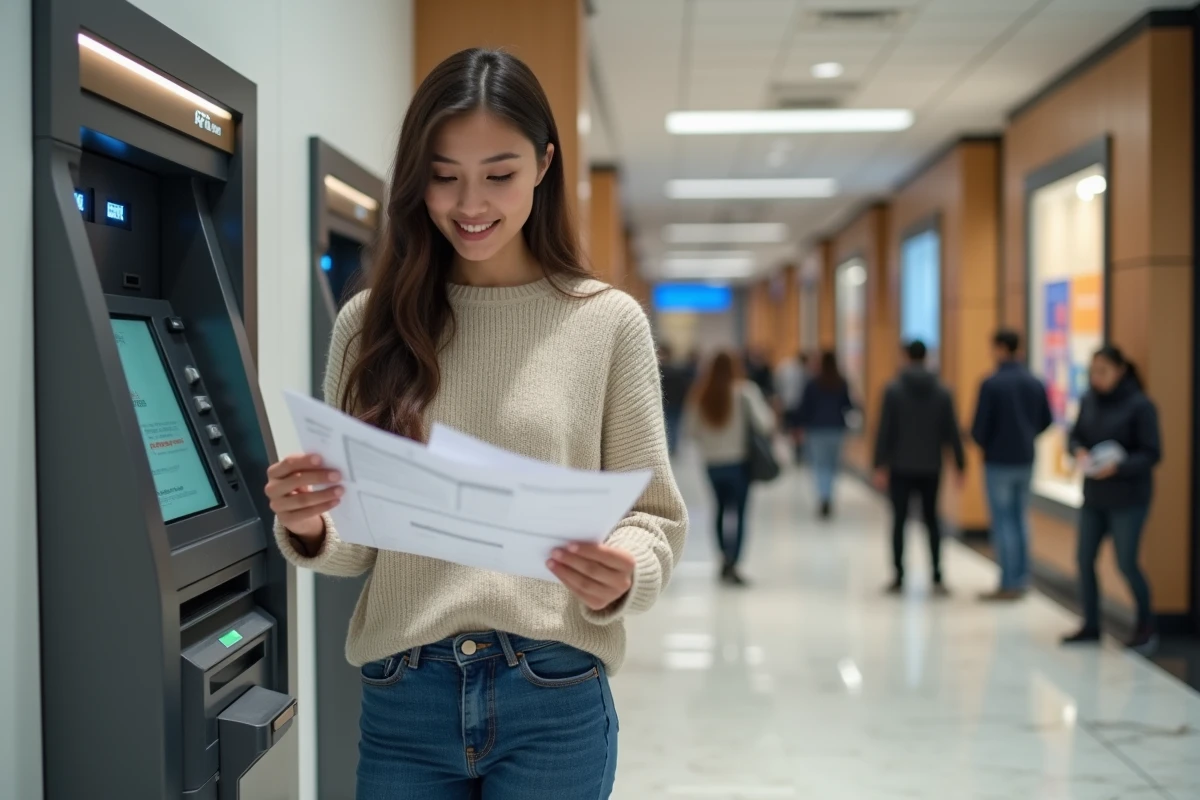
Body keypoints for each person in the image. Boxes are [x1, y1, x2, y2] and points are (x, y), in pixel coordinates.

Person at [263, 49, 688, 800]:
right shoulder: (369, 324)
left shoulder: (607, 324)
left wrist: (625, 571)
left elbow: (652, 516)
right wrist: (309, 527)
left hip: (552, 690)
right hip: (405, 694)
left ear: (544, 165)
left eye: (499, 174)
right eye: (443, 174)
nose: (470, 203)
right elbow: (355, 543)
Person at [1062, 345, 1161, 653]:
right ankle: (1091, 624)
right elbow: (1075, 435)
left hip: (1128, 497)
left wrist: (1118, 466)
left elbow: (1152, 453)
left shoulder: (1140, 406)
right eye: (1093, 372)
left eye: (1103, 371)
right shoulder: (1090, 400)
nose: (1097, 378)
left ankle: (1145, 625)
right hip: (1095, 494)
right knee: (1083, 558)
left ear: (1120, 370)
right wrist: (1078, 450)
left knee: (1126, 562)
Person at [873, 340, 965, 596]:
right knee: (932, 520)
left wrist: (880, 464)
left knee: (899, 520)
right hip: (931, 466)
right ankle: (937, 575)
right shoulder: (942, 391)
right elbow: (952, 431)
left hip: (901, 466)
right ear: (927, 357)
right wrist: (960, 464)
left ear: (905, 357)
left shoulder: (893, 390)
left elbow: (885, 430)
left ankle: (898, 575)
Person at [971, 329, 1053, 601]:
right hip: (1025, 459)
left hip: (998, 461)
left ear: (1001, 348)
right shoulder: (1034, 382)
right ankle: (1022, 578)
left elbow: (979, 428)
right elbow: (1046, 420)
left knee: (1003, 521)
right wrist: (1027, 436)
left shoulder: (992, 384)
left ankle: (1007, 582)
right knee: (1021, 520)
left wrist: (988, 442)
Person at [686, 350, 775, 586]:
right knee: (740, 513)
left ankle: (722, 557)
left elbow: (691, 431)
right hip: (739, 463)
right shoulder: (745, 392)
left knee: (720, 510)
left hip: (712, 464)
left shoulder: (701, 394)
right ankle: (734, 562)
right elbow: (765, 424)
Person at [796, 351, 854, 519]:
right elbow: (848, 405)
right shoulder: (841, 382)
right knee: (833, 465)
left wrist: (799, 426)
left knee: (820, 465)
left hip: (816, 429)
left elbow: (804, 407)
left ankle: (823, 496)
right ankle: (828, 495)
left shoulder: (813, 383)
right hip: (836, 428)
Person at [659, 344, 694, 456]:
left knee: (669, 424)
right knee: (674, 425)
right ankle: (672, 446)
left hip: (668, 402)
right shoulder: (677, 370)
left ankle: (669, 446)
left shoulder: (662, 371)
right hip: (675, 402)